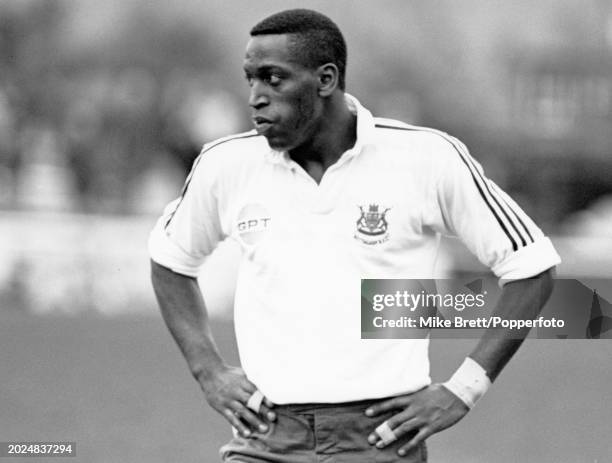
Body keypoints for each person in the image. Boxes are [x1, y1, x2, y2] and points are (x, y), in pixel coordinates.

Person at [149, 8, 561, 462]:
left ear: (325, 79)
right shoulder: (226, 165)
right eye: (250, 79)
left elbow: (532, 268)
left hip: (378, 439)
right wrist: (208, 369)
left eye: (273, 79)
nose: (256, 97)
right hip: (263, 435)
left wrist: (465, 388)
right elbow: (170, 261)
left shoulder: (426, 158)